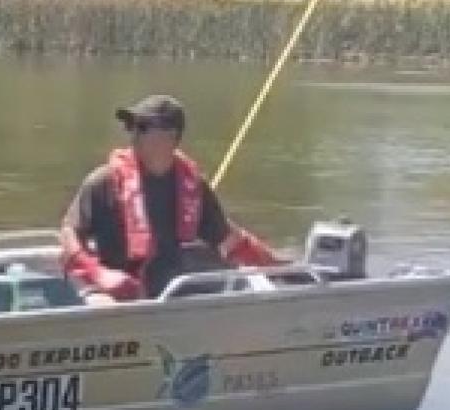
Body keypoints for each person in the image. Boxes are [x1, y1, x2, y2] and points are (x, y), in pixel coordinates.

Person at [59, 94, 284, 302]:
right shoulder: (104, 181)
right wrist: (98, 275)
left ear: (171, 136)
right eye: (130, 126)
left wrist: (279, 267)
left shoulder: (192, 184)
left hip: (168, 296)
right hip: (112, 294)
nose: (133, 134)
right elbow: (69, 234)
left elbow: (227, 237)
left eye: (142, 127)